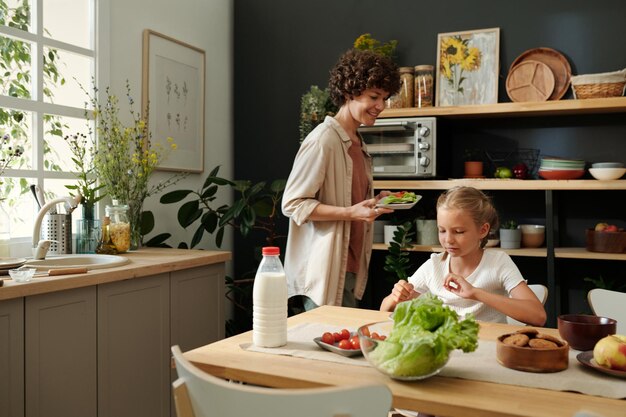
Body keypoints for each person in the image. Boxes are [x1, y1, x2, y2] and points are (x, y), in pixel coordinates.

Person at [282, 48, 401, 310]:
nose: (380, 106)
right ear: (349, 92)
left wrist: (374, 201)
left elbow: (349, 201)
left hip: (350, 268)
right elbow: (292, 204)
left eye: (385, 98)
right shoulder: (324, 140)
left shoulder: (357, 143)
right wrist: (350, 212)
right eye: (374, 96)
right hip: (323, 274)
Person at [380, 186, 547, 327]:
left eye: (458, 232)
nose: (448, 240)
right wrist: (395, 297)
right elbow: (384, 312)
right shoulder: (434, 266)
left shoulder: (498, 262)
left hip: (489, 349)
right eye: (442, 230)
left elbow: (538, 315)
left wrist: (475, 293)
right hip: (447, 350)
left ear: (483, 230)